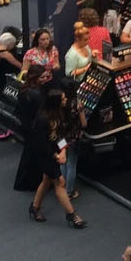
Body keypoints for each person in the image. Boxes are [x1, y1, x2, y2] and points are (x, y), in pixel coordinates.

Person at [27, 88, 87, 229]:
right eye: (63, 99)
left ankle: (35, 207)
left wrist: (63, 151)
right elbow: (41, 143)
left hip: (53, 153)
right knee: (60, 182)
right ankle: (72, 215)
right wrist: (56, 155)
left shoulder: (58, 114)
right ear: (56, 102)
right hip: (45, 155)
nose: (66, 100)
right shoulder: (43, 119)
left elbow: (62, 136)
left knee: (46, 180)